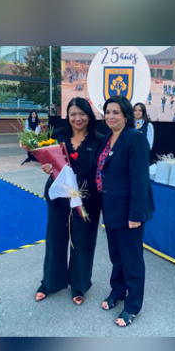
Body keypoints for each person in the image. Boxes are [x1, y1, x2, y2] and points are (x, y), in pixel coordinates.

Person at [35, 98, 104, 305]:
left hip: (86, 200)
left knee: (83, 243)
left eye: (82, 114)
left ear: (89, 116)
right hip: (59, 198)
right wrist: (45, 167)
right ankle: (50, 282)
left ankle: (79, 284)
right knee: (55, 241)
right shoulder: (57, 136)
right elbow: (48, 161)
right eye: (73, 114)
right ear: (68, 115)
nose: (77, 118)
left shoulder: (99, 140)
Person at [97, 96, 154, 327]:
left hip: (130, 212)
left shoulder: (135, 138)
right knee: (116, 256)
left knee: (132, 260)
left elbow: (140, 180)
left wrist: (136, 215)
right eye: (107, 112)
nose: (110, 116)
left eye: (116, 113)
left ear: (126, 115)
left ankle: (133, 305)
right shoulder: (108, 138)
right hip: (111, 209)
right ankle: (118, 292)